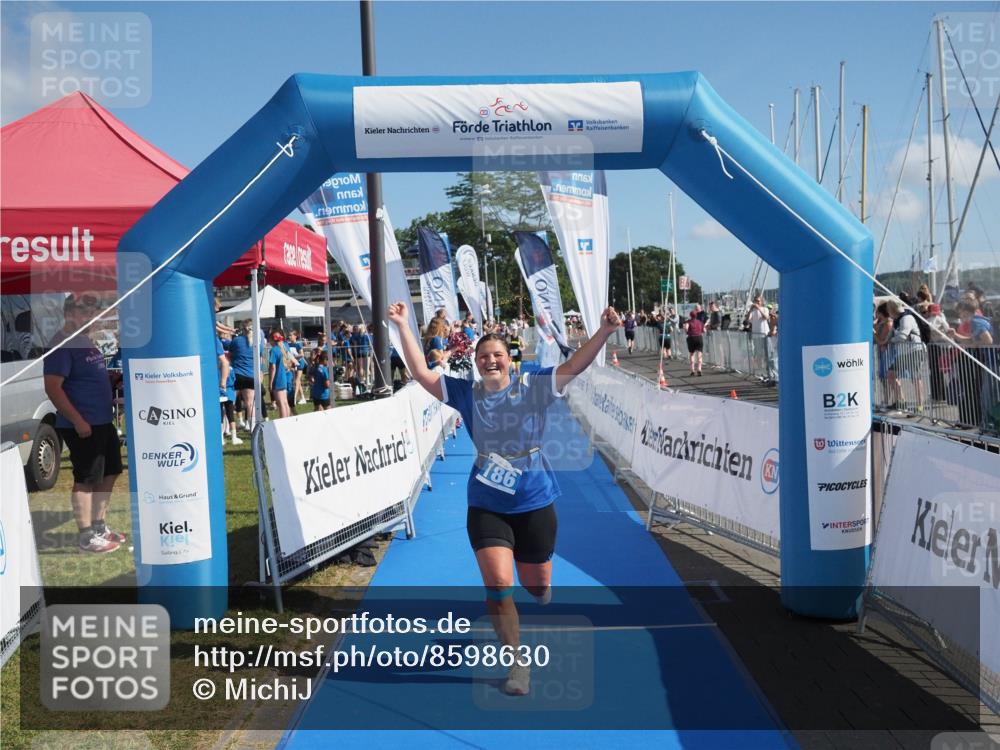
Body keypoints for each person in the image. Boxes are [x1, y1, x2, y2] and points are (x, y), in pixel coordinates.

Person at [387, 299, 623, 697]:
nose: (490, 361)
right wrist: (402, 326)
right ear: (475, 362)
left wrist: (603, 332)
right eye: (483, 356)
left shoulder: (534, 386)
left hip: (534, 500)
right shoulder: (465, 393)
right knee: (498, 584)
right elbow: (422, 374)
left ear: (510, 359)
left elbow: (573, 367)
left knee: (536, 585)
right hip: (486, 504)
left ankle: (539, 582)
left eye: (497, 355)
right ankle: (517, 663)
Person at [43, 295, 126, 553]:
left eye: (93, 312)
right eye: (84, 312)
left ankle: (99, 526)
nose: (90, 317)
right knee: (86, 478)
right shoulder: (62, 343)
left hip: (102, 421)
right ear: (69, 312)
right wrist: (78, 420)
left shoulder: (84, 341)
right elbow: (53, 388)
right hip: (82, 424)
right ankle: (86, 536)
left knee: (110, 472)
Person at [228, 320, 259, 431]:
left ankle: (228, 429)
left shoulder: (236, 340)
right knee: (250, 403)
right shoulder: (257, 343)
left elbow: (230, 355)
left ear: (242, 328)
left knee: (229, 402)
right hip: (251, 375)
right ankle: (253, 428)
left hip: (236, 375)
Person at [268, 329, 293, 419]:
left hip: (277, 379)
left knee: (280, 403)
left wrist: (270, 382)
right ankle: (287, 420)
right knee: (285, 402)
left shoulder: (274, 350)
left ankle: (283, 421)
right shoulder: (284, 348)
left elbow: (273, 367)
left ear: (272, 340)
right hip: (284, 377)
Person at [684, 309, 705, 376]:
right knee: (699, 354)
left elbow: (686, 328)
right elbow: (704, 330)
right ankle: (699, 368)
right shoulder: (700, 322)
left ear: (690, 315)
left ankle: (692, 370)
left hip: (691, 338)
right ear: (696, 315)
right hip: (699, 337)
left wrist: (687, 332)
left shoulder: (688, 322)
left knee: (692, 354)